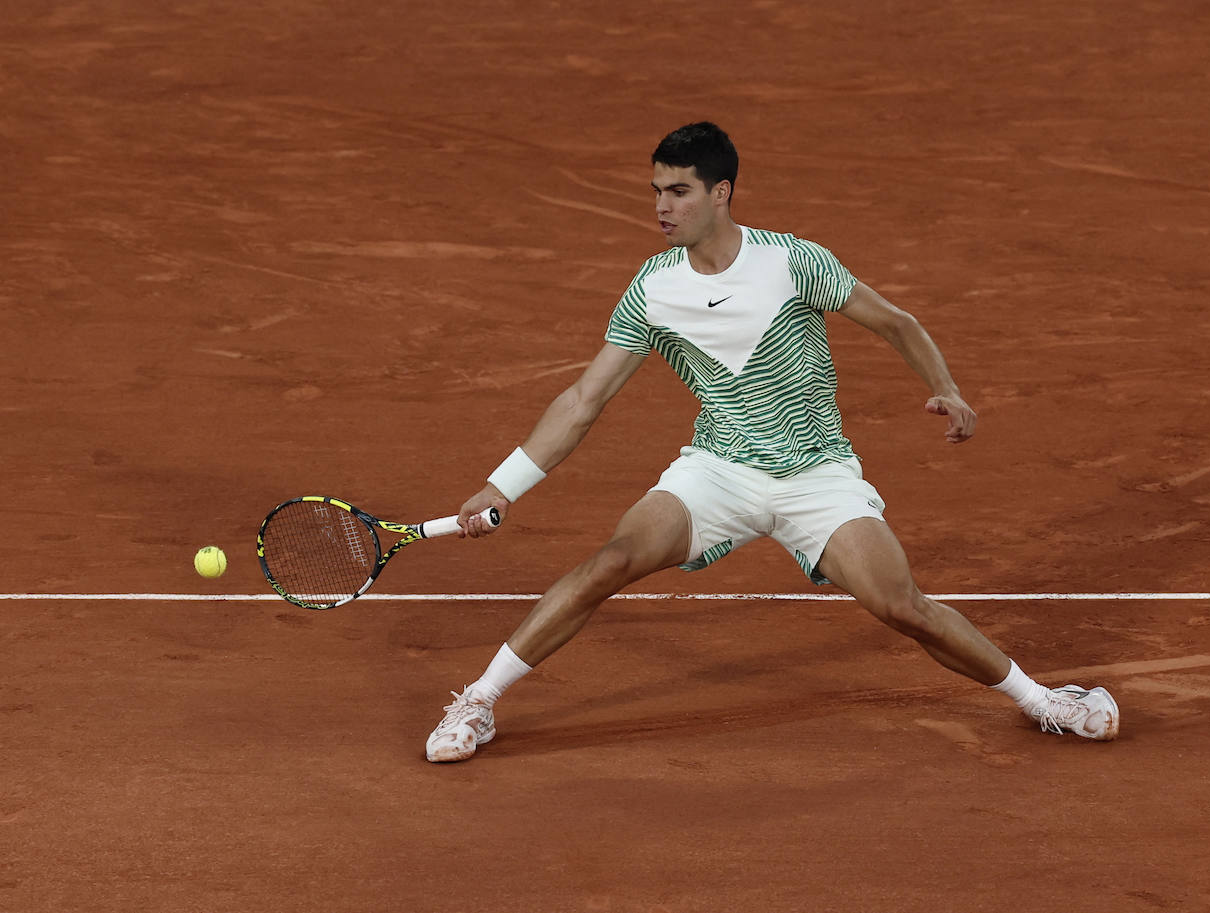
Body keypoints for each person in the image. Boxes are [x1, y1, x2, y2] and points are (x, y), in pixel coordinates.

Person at [425, 122, 1119, 763]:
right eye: (656, 192)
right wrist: (504, 483)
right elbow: (583, 399)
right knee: (612, 559)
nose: (662, 206)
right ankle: (479, 701)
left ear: (719, 193)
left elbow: (897, 321)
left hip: (816, 474)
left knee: (902, 606)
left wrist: (948, 386)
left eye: (678, 191)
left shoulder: (793, 261)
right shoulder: (653, 287)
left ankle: (1045, 700)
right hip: (719, 468)